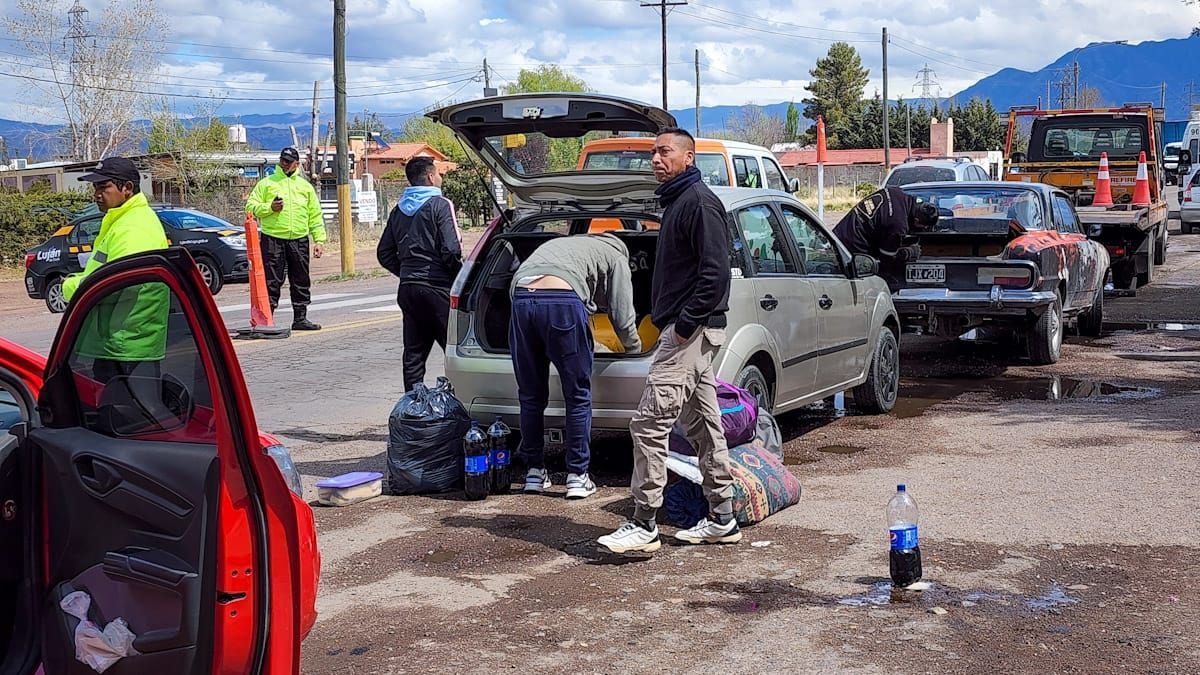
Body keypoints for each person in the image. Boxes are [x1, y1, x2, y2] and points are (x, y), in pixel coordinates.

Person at [597, 127, 737, 554]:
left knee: (648, 422)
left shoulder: (700, 204)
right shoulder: (678, 202)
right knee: (703, 425)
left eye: (665, 152)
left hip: (688, 332)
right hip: (683, 329)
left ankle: (643, 523)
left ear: (689, 157)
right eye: (653, 153)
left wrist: (681, 327)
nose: (656, 159)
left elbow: (715, 274)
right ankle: (723, 517)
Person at [510, 233, 640, 499]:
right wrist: (634, 350)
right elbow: (622, 313)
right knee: (578, 395)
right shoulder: (617, 257)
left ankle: (534, 473)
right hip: (563, 300)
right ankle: (577, 477)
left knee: (530, 395)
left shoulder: (568, 247)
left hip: (521, 296)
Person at [67, 156, 170, 386]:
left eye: (104, 187)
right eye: (95, 187)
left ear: (127, 188)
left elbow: (118, 283)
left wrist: (70, 287)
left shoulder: (133, 226)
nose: (97, 194)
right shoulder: (121, 219)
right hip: (118, 342)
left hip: (127, 345)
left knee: (125, 416)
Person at [376, 156, 463, 392]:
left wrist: (407, 273)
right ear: (430, 177)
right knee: (455, 351)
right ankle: (463, 406)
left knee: (413, 354)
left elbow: (384, 252)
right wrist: (458, 280)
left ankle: (412, 408)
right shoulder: (440, 204)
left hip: (409, 289)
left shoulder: (398, 210)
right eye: (439, 173)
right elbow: (452, 249)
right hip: (437, 287)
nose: (441, 178)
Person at [245, 147, 326, 331]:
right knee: (271, 280)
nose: (284, 163)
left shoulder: (305, 187)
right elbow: (250, 207)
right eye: (282, 160)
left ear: (297, 164)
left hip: (299, 239)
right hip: (273, 238)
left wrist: (319, 240)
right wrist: (269, 208)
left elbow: (315, 215)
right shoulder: (266, 184)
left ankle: (300, 317)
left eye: (288, 161)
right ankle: (267, 317)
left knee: (301, 279)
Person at [832, 186, 938, 288]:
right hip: (850, 251)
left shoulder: (895, 192)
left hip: (838, 234)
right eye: (923, 227)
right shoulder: (898, 225)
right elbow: (886, 260)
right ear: (916, 221)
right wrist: (909, 252)